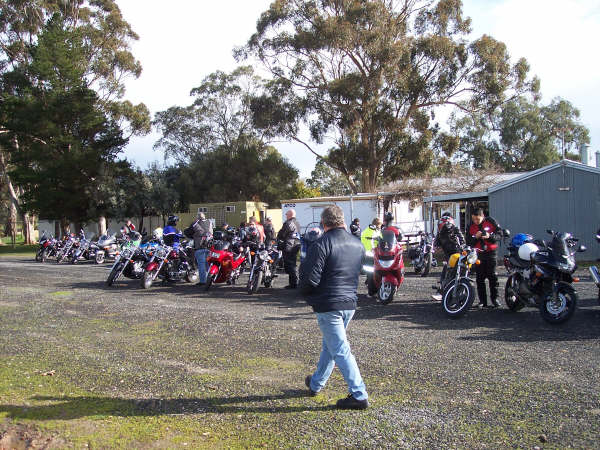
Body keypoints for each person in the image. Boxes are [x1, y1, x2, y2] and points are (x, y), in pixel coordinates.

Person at [299, 205, 369, 410]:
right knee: (330, 346)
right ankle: (316, 383)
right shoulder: (357, 244)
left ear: (323, 223)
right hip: (349, 303)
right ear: (342, 221)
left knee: (339, 349)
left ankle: (359, 394)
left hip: (329, 304)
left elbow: (310, 279)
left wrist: (306, 295)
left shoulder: (321, 244)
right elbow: (359, 271)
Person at [466, 208, 501, 308]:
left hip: (491, 253)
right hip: (478, 254)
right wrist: (475, 237)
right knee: (479, 278)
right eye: (474, 219)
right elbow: (468, 241)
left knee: (492, 276)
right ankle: (482, 301)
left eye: (477, 219)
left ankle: (495, 299)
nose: (475, 221)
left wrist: (489, 236)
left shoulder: (491, 222)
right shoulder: (470, 226)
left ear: (482, 216)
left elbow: (499, 235)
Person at [431, 213, 465, 300]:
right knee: (445, 273)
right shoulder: (439, 235)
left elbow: (462, 241)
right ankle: (441, 292)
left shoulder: (456, 230)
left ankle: (463, 291)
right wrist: (436, 249)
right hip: (448, 257)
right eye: (442, 225)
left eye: (446, 224)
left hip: (458, 256)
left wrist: (461, 245)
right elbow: (436, 246)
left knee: (461, 273)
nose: (444, 227)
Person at [277, 209, 301, 289]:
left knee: (289, 265)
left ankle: (294, 284)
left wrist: (279, 239)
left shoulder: (288, 223)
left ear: (290, 214)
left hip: (289, 246)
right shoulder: (297, 223)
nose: (286, 215)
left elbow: (282, 234)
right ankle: (293, 283)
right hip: (296, 245)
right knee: (293, 264)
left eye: (286, 214)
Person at [188, 212, 213, 285]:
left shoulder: (195, 223)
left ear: (197, 217)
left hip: (199, 246)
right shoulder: (209, 222)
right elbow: (211, 233)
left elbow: (188, 232)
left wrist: (194, 236)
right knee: (208, 264)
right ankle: (210, 280)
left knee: (201, 264)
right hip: (209, 246)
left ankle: (203, 281)